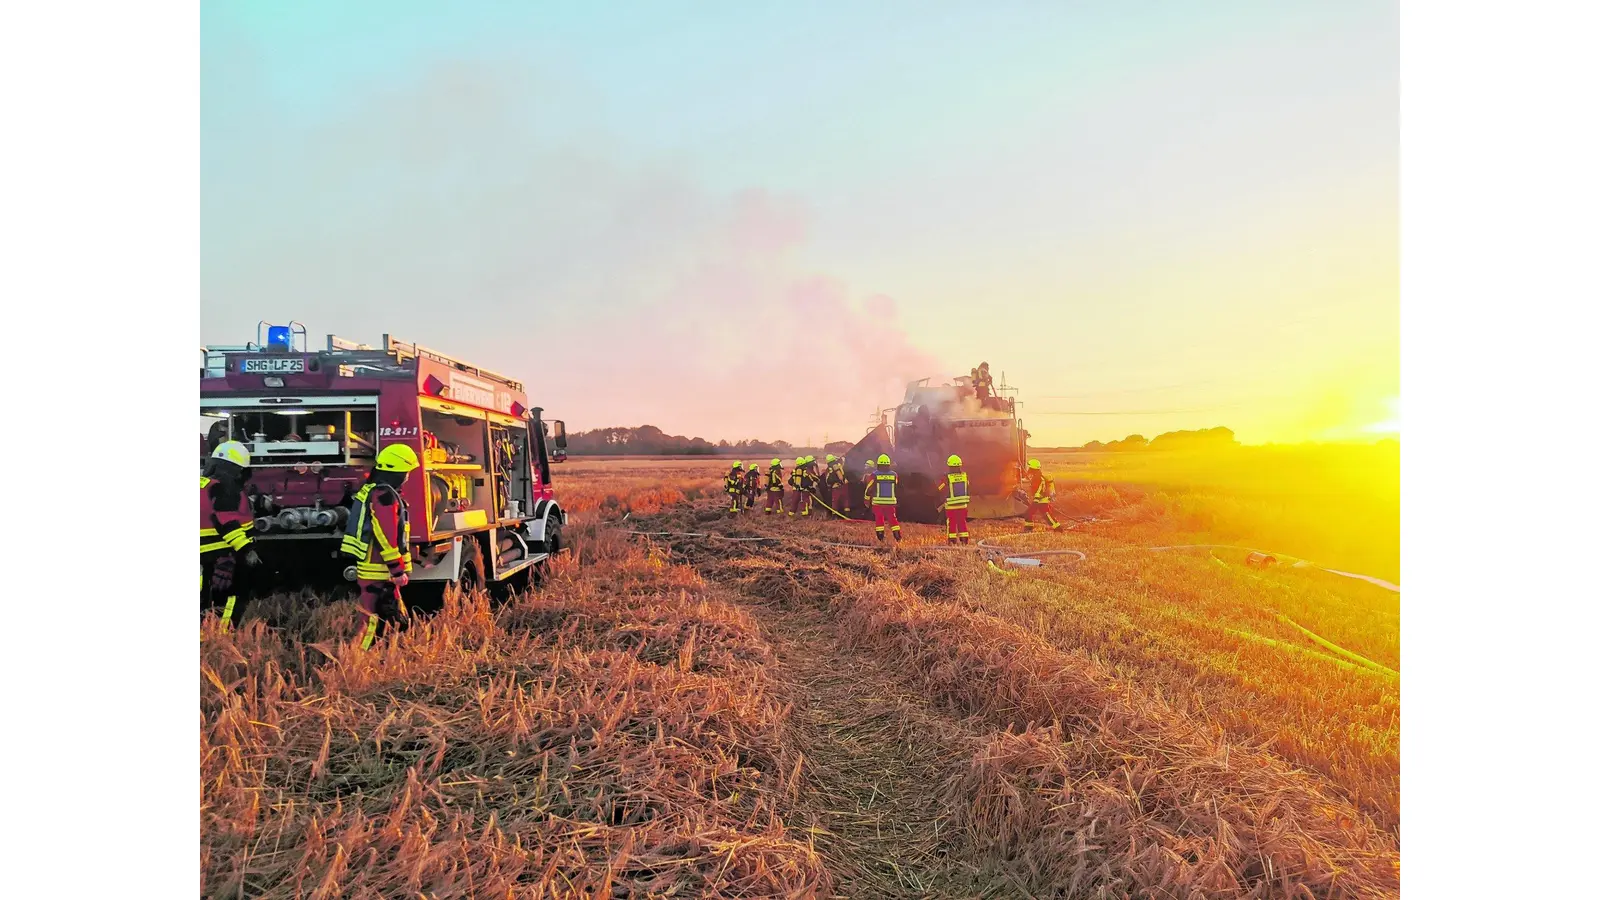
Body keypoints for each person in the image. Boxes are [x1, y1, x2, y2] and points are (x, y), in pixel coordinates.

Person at [341, 444, 420, 649]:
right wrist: (397, 569)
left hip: (376, 566)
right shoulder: (383, 495)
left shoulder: (375, 490)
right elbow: (386, 536)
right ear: (398, 472)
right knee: (371, 618)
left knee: (388, 615)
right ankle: (358, 658)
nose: (408, 477)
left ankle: (382, 656)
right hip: (377, 567)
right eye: (407, 472)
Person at [201, 440, 261, 631]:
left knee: (203, 600)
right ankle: (221, 637)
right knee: (230, 597)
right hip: (219, 553)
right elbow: (226, 521)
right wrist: (246, 549)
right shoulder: (226, 487)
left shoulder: (204, 484)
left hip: (203, 555)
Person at [864, 453, 902, 543]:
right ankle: (898, 537)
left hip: (878, 502)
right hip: (891, 503)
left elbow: (869, 488)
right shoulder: (894, 475)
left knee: (879, 519)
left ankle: (881, 538)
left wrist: (866, 499)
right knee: (893, 519)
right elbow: (896, 486)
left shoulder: (874, 475)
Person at [936, 454, 971, 545]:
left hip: (951, 505)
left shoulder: (947, 477)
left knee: (951, 523)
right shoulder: (964, 476)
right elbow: (968, 487)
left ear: (949, 466)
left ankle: (952, 541)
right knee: (962, 522)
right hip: (963, 504)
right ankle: (964, 540)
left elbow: (940, 488)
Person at [1023, 458, 1064, 532]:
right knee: (1032, 514)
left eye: (1030, 467)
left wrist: (1036, 500)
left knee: (1045, 515)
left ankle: (1058, 528)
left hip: (1040, 500)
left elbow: (1039, 489)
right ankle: (1029, 528)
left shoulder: (1038, 478)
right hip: (1040, 500)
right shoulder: (1037, 476)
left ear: (1033, 468)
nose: (1028, 469)